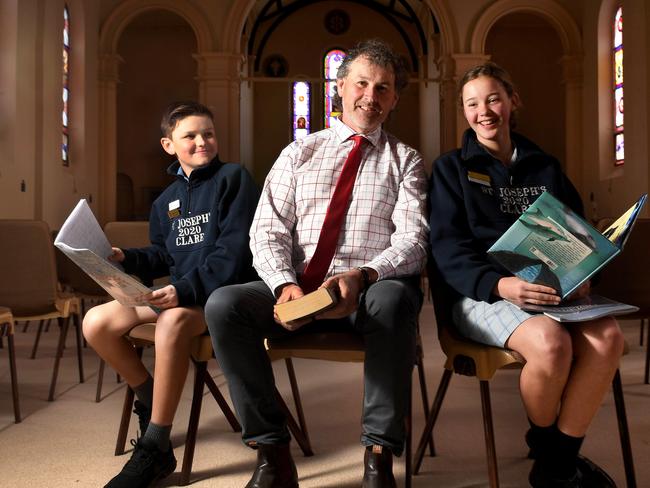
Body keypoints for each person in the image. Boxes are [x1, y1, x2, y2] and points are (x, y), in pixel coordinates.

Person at [205, 39, 428, 488]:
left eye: (383, 89)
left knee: (395, 298)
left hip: (365, 293)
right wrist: (285, 285)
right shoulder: (298, 153)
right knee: (223, 305)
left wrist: (364, 275)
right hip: (298, 291)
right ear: (340, 88)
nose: (371, 96)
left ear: (395, 99)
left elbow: (414, 240)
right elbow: (266, 230)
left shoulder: (405, 161)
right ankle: (272, 452)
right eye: (362, 83)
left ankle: (379, 457)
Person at [428, 62, 623, 488]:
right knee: (551, 346)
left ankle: (553, 465)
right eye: (472, 103)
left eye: (494, 98)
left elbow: (579, 233)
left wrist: (585, 273)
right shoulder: (450, 170)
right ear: (463, 111)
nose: (485, 111)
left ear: (513, 100)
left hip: (555, 291)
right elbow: (447, 250)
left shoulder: (545, 166)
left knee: (609, 338)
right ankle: (554, 455)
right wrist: (500, 285)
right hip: (484, 294)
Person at [82, 101, 259, 488]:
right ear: (168, 144)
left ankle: (156, 446)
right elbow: (164, 253)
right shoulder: (165, 201)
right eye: (190, 136)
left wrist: (180, 291)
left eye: (208, 134)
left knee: (174, 319)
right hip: (180, 291)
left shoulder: (234, 178)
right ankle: (148, 398)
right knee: (96, 322)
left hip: (219, 297)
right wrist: (126, 257)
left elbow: (233, 252)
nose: (202, 142)